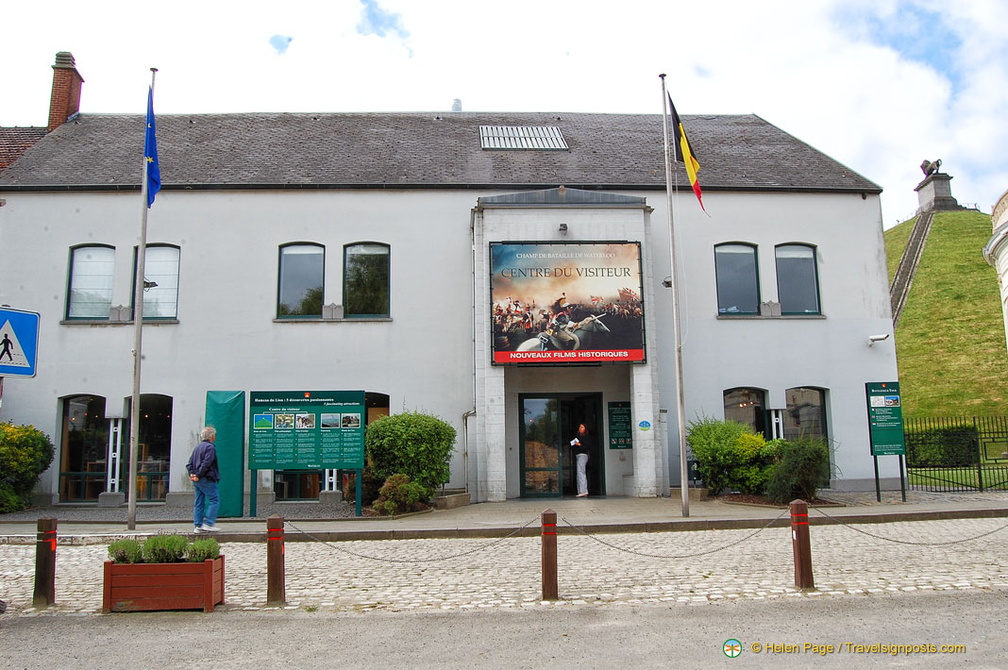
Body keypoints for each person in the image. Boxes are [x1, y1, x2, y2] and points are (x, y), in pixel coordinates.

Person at [186, 426, 221, 532]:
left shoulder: (197, 447)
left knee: (199, 501)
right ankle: (209, 523)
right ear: (212, 436)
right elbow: (207, 463)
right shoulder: (210, 448)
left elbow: (189, 463)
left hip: (197, 479)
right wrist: (199, 474)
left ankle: (198, 525)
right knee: (214, 499)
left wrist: (192, 474)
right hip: (206, 477)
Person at [570, 423, 591, 498]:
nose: (580, 428)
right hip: (578, 455)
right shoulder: (578, 436)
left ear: (585, 429)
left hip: (583, 455)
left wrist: (579, 444)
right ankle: (580, 491)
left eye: (582, 427)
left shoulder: (586, 437)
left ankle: (583, 491)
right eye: (579, 427)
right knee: (579, 472)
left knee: (581, 472)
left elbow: (587, 447)